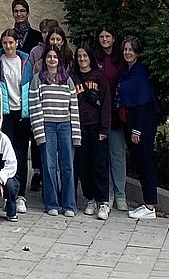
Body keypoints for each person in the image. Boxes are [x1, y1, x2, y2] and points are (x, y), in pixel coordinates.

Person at [0, 30, 33, 206]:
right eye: (4, 43)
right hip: (4, 114)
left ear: (17, 43)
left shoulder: (25, 61)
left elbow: (31, 86)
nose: (8, 46)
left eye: (11, 42)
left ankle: (19, 195)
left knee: (20, 154)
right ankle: (5, 192)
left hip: (22, 113)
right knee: (4, 153)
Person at [32, 46, 78, 216]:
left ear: (60, 60)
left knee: (68, 166)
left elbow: (74, 108)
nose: (52, 59)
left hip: (65, 125)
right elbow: (34, 106)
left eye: (55, 57)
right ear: (45, 60)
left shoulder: (67, 80)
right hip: (47, 126)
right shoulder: (38, 79)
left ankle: (69, 205)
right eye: (49, 56)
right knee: (49, 166)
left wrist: (76, 135)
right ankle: (51, 203)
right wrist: (39, 132)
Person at [117, 36, 160, 219]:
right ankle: (147, 203)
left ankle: (150, 206)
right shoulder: (127, 71)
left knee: (145, 163)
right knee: (140, 163)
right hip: (130, 120)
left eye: (131, 50)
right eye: (125, 49)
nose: (127, 53)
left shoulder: (140, 73)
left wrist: (137, 130)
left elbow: (143, 103)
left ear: (137, 53)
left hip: (141, 124)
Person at [91, 27, 127, 213]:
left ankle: (120, 194)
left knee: (117, 155)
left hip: (115, 112)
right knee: (101, 157)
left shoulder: (120, 60)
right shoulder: (94, 58)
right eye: (101, 36)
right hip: (96, 113)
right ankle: (108, 194)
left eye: (108, 36)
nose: (104, 39)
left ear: (114, 39)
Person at [73, 46, 109, 219]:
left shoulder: (99, 76)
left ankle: (103, 201)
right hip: (80, 126)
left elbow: (106, 102)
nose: (82, 58)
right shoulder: (73, 78)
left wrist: (104, 128)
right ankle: (90, 198)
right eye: (79, 56)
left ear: (91, 57)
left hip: (96, 126)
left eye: (85, 55)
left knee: (100, 164)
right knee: (83, 164)